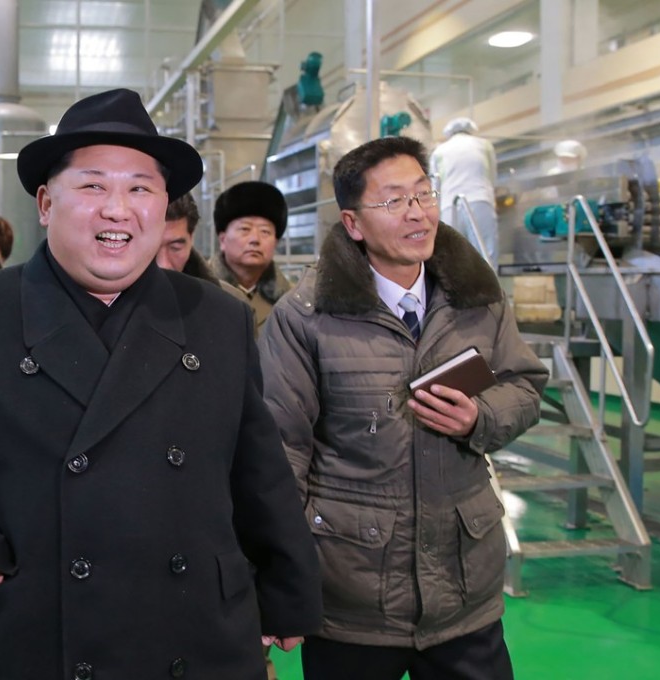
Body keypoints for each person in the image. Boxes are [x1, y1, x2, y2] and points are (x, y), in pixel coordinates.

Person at [0, 87, 321, 679]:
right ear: (47, 203)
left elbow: (257, 467)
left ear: (163, 206)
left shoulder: (217, 316)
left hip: (196, 628)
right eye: (94, 185)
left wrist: (286, 585)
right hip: (38, 622)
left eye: (140, 188)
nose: (117, 208)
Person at [258, 136, 549, 680]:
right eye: (394, 201)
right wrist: (279, 577)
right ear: (353, 223)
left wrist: (479, 418)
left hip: (465, 588)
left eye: (424, 194)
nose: (418, 213)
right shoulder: (306, 317)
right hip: (353, 593)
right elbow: (279, 452)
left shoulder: (476, 297)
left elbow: (525, 385)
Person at [209, 180, 292, 336]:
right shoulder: (197, 292)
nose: (255, 239)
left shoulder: (292, 302)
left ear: (276, 242)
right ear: (222, 240)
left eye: (265, 231)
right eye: (245, 229)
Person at [428, 117, 498, 266]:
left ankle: (454, 289)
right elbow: (492, 176)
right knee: (485, 253)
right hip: (480, 200)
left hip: (448, 206)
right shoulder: (484, 145)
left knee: (451, 256)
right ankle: (489, 289)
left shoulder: (439, 151)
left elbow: (435, 185)